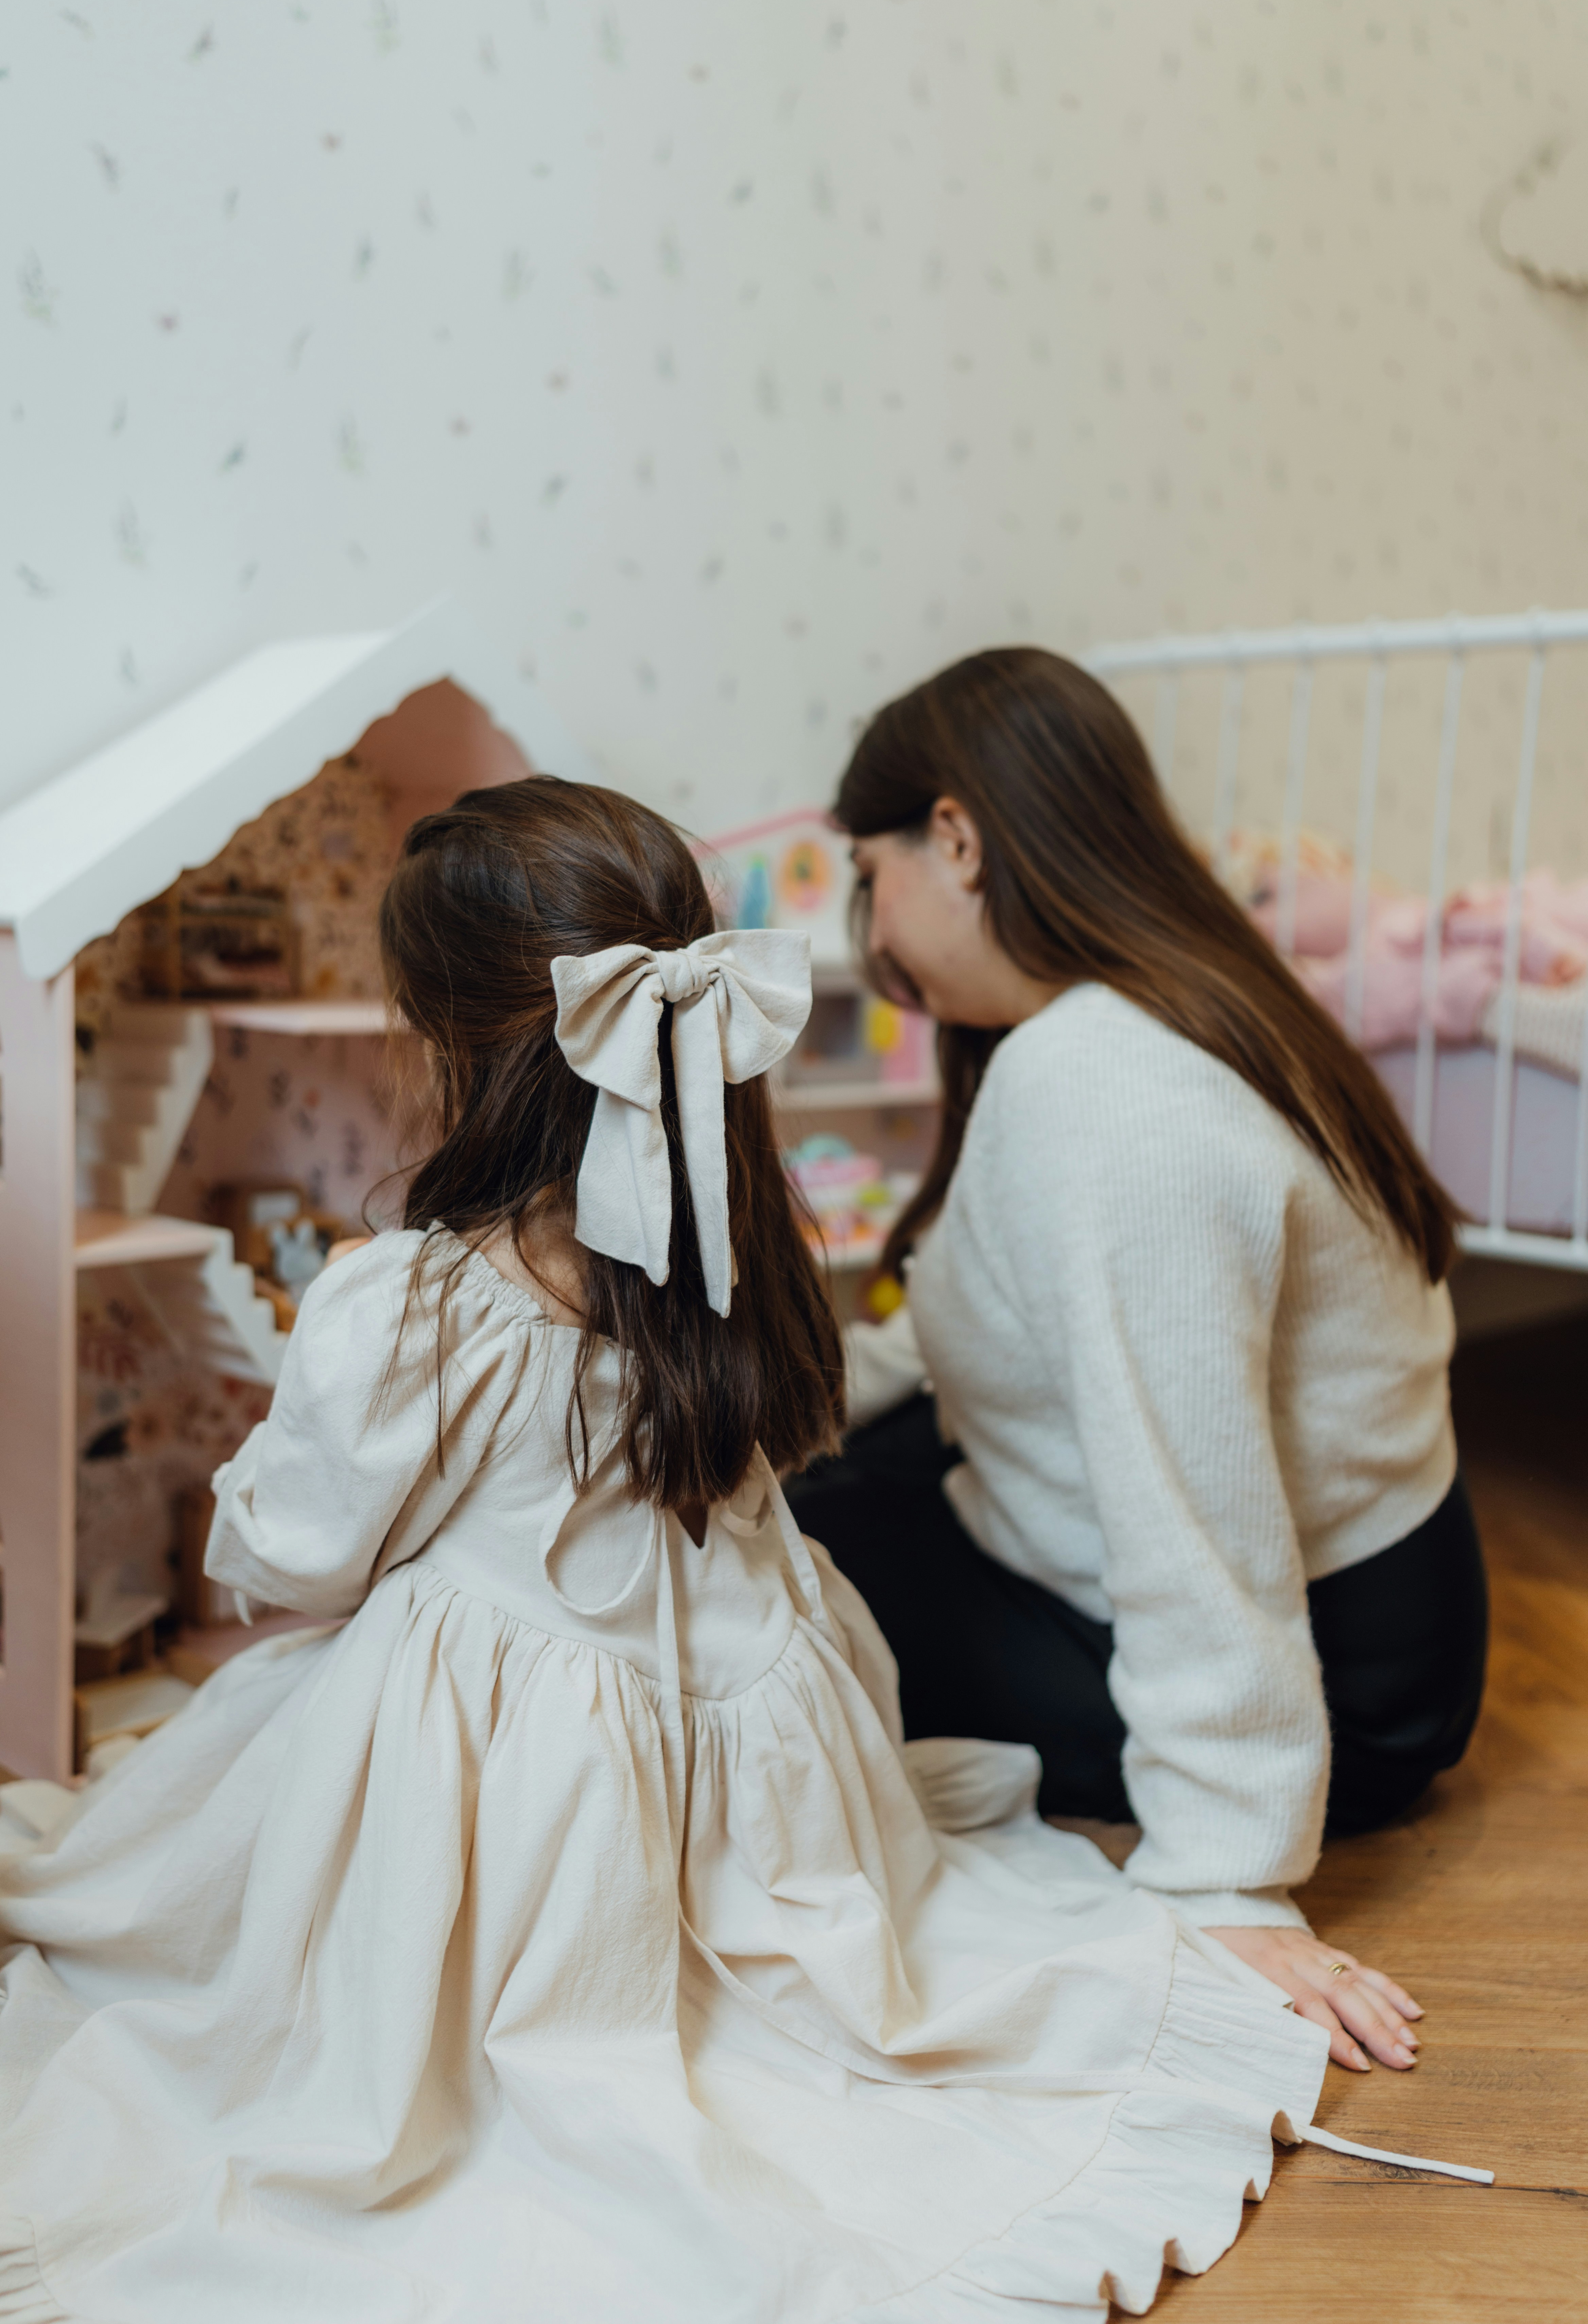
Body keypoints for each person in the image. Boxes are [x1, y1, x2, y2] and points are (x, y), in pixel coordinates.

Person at [0, 777, 1331, 2323]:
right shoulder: (742, 1235)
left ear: (442, 1042)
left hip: (534, 1775)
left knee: (255, 1778)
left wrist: (244, 1511)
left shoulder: (414, 1301)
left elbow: (300, 1555)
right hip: (761, 1735)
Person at [785, 647, 1485, 2082]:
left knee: (780, 1565)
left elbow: (1193, 1492)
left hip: (1344, 1677)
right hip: (1388, 1592)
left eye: (875, 871)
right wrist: (812, 1403)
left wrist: (1222, 1878)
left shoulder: (1102, 1089)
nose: (876, 922)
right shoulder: (1173, 997)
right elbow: (986, 1309)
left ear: (958, 838)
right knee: (826, 1471)